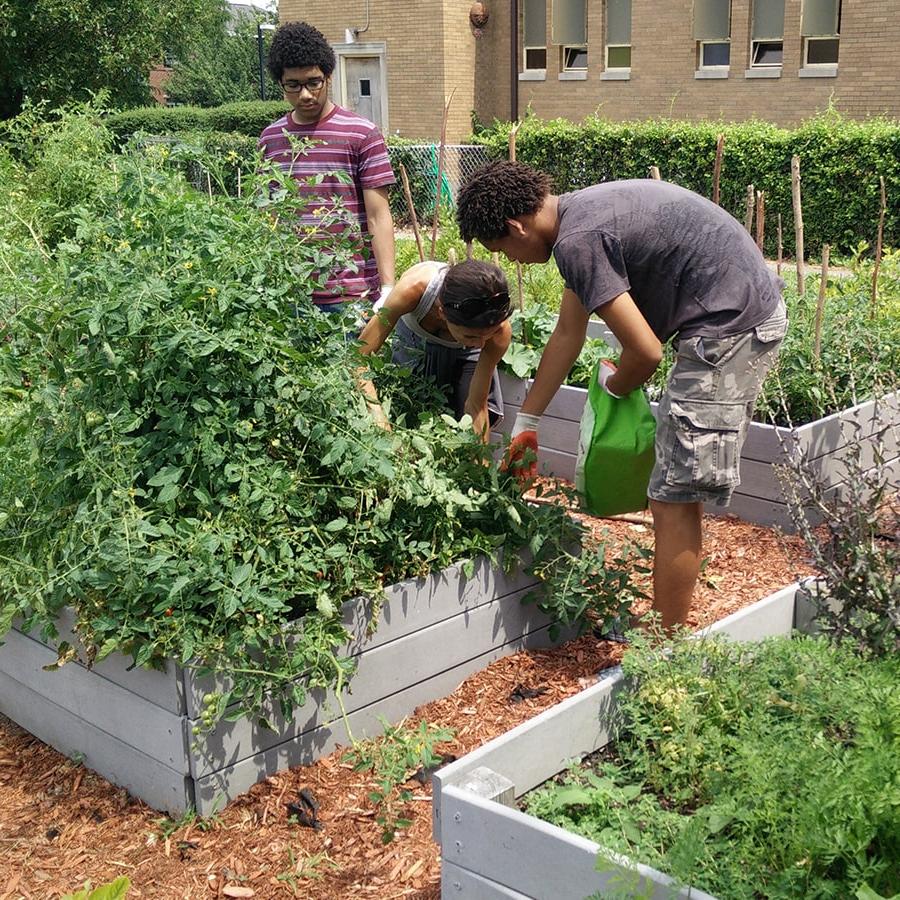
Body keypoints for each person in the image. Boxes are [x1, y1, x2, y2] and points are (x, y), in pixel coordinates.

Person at [456, 161, 788, 631]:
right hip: (734, 314)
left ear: (517, 226)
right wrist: (527, 423)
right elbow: (568, 334)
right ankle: (666, 623)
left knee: (674, 494)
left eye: (502, 249)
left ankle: (662, 645)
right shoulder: (578, 216)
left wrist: (613, 387)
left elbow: (645, 352)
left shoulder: (576, 241)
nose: (510, 260)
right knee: (674, 486)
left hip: (731, 328)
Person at [259, 21, 396, 312]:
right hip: (291, 290)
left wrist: (388, 288)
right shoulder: (271, 139)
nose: (305, 94)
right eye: (293, 85)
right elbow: (268, 214)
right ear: (280, 83)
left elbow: (378, 215)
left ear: (329, 77)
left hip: (351, 295)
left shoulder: (362, 134)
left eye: (313, 82)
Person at [356, 259, 512, 440]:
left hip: (464, 353)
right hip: (413, 342)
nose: (480, 344)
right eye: (471, 336)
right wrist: (379, 418)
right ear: (442, 314)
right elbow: (359, 357)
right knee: (406, 411)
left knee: (464, 418)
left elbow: (477, 406)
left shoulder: (498, 331)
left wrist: (481, 463)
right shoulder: (411, 290)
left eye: (487, 336)